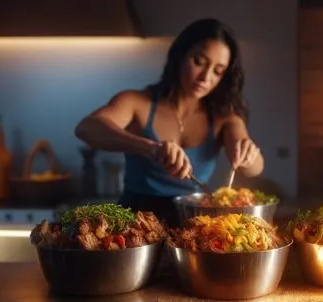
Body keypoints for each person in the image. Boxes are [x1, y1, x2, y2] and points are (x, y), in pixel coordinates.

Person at [74, 18, 264, 228]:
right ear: (180, 56)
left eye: (218, 71)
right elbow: (86, 128)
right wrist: (151, 148)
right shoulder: (137, 102)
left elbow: (255, 168)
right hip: (135, 224)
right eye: (199, 62)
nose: (205, 77)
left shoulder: (223, 117)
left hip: (194, 225)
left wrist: (248, 154)